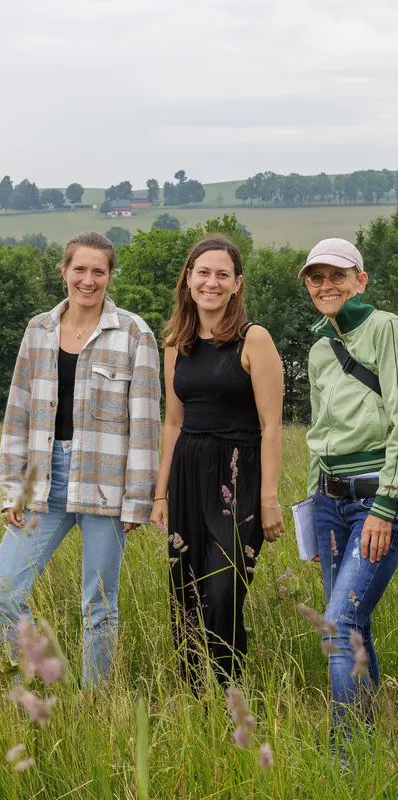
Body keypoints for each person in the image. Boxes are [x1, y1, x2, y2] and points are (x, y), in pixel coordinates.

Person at [0, 231, 161, 689]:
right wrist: (12, 487)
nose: (88, 279)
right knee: (3, 591)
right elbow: (17, 412)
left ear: (109, 275)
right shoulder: (38, 330)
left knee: (99, 604)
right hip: (43, 483)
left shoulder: (133, 334)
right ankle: (34, 683)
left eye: (98, 271)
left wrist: (136, 500)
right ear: (63, 271)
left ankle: (94, 702)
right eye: (79, 269)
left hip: (106, 483)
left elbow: (144, 422)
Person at [151, 234, 284, 689]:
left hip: (238, 476)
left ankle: (231, 695)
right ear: (188, 279)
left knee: (224, 594)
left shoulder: (255, 340)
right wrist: (160, 493)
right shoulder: (176, 342)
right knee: (184, 592)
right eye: (203, 272)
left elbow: (271, 426)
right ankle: (195, 700)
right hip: (188, 472)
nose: (212, 282)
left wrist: (269, 498)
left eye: (222, 274)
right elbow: (172, 422)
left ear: (237, 283)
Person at [301, 238, 398, 746]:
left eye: (337, 275)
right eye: (316, 278)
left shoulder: (386, 328)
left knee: (338, 624)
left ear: (360, 280)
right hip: (328, 503)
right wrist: (308, 512)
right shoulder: (320, 349)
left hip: (374, 500)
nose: (325, 285)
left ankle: (345, 752)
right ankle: (373, 739)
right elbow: (320, 432)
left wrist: (386, 504)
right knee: (353, 625)